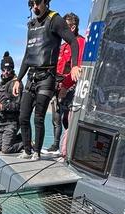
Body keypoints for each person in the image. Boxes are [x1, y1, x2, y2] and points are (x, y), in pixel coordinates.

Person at [13, 0, 81, 161]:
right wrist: (18, 79)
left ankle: (36, 152)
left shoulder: (55, 19)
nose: (35, 7)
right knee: (23, 116)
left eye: (38, 3)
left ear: (46, 2)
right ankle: (27, 150)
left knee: (38, 117)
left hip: (47, 77)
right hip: (31, 76)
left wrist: (75, 66)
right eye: (32, 4)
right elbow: (27, 55)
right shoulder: (31, 25)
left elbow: (73, 41)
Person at [45, 12, 85, 154]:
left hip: (71, 86)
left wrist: (65, 86)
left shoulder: (80, 43)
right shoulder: (63, 46)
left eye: (65, 27)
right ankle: (56, 145)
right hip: (58, 83)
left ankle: (68, 147)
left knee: (68, 117)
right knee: (56, 116)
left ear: (73, 27)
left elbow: (78, 67)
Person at [0, 51, 23, 154]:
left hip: (12, 123)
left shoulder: (17, 84)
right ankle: (17, 138)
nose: (6, 72)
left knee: (6, 149)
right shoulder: (0, 84)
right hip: (1, 122)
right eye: (3, 69)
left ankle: (25, 141)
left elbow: (19, 105)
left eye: (8, 69)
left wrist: (2, 107)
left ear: (12, 69)